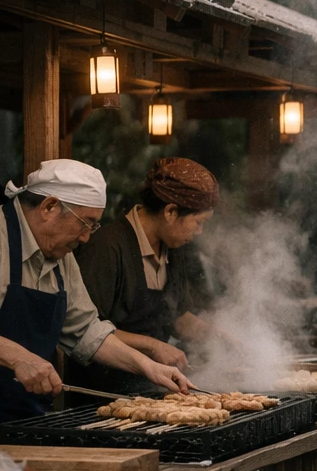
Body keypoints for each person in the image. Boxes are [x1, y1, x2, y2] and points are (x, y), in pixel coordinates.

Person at [0, 159, 189, 431]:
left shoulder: (60, 255)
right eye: (86, 223)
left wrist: (148, 367)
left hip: (24, 420)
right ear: (49, 207)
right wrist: (20, 357)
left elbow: (86, 330)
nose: (87, 238)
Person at [71, 157, 220, 394]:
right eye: (198, 222)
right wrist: (152, 346)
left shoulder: (173, 246)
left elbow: (178, 316)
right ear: (170, 212)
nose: (199, 232)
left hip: (154, 386)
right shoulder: (106, 247)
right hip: (103, 393)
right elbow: (86, 330)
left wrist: (223, 340)